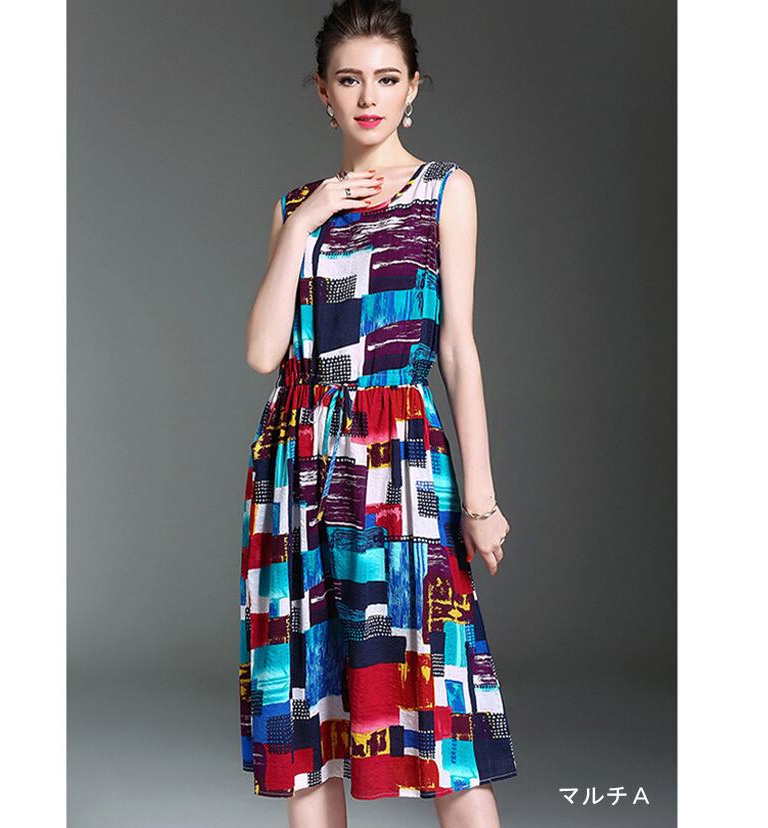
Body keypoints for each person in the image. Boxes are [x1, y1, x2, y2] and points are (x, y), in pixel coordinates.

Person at [238, 1, 518, 825]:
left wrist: (481, 502)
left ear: (413, 88)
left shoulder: (444, 191)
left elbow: (458, 351)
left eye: (387, 79)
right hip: (297, 469)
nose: (369, 97)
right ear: (323, 92)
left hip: (400, 464)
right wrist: (307, 220)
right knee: (308, 703)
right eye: (350, 79)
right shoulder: (298, 205)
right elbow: (262, 352)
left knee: (440, 701)